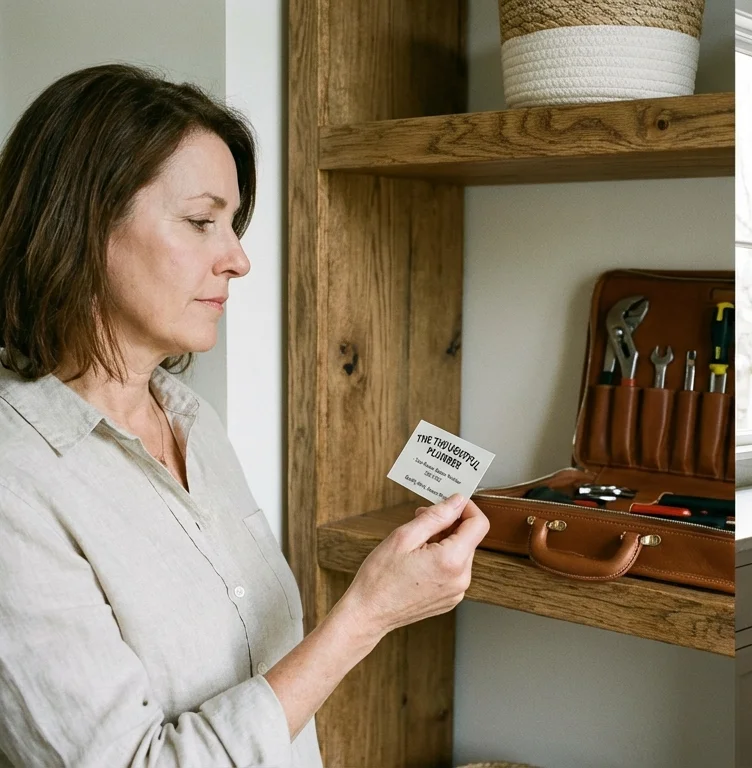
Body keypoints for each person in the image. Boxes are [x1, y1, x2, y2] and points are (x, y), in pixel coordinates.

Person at [0, 64, 490, 767]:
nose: (238, 259)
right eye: (202, 221)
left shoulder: (192, 420)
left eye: (231, 224)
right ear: (81, 223)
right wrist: (368, 614)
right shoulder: (15, 480)